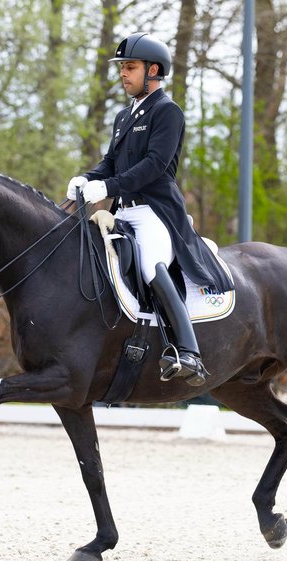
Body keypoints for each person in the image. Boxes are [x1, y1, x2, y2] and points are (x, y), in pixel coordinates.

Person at [66, 32, 234, 386]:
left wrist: (107, 187)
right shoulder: (124, 117)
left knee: (149, 264)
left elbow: (155, 164)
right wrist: (86, 178)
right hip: (123, 213)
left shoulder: (167, 112)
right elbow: (110, 162)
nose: (123, 74)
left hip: (155, 213)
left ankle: (188, 351)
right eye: (122, 68)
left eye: (130, 67)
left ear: (153, 70)